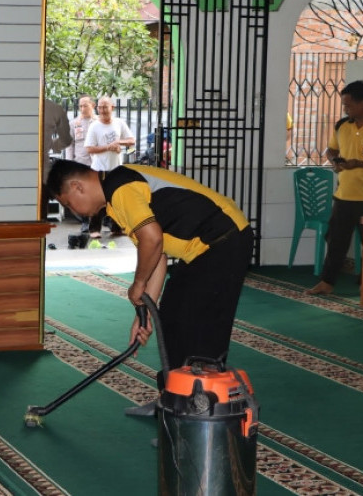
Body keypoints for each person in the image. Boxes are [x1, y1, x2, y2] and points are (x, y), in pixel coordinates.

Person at [46, 159, 253, 414]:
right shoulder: (115, 199)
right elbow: (157, 255)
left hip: (225, 241)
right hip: (202, 251)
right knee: (172, 317)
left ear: (77, 187)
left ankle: (197, 414)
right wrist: (143, 313)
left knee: (200, 327)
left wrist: (138, 284)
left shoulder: (120, 186)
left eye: (68, 203)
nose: (74, 211)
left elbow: (152, 239)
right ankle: (173, 402)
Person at [307, 81, 363, 295]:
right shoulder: (341, 125)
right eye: (343, 105)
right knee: (336, 241)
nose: (345, 109)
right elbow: (331, 149)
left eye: (348, 105)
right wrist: (334, 160)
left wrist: (358, 163)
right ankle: (326, 283)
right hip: (344, 195)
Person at [84, 96, 135, 238]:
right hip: (99, 168)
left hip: (116, 168)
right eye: (100, 107)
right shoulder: (94, 126)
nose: (102, 110)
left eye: (105, 107)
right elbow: (89, 148)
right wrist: (108, 147)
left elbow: (131, 140)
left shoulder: (119, 123)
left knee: (117, 198)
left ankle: (117, 228)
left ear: (112, 107)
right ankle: (94, 229)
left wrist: (118, 142)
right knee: (98, 200)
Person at [65, 94, 97, 233]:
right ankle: (85, 221)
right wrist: (69, 163)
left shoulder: (98, 122)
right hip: (80, 162)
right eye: (80, 106)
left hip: (96, 163)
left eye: (85, 105)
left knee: (96, 193)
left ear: (93, 106)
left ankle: (98, 222)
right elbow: (69, 145)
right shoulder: (74, 124)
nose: (82, 109)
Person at [41, 99, 73, 219]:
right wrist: (52, 145)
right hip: (40, 171)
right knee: (40, 215)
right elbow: (66, 140)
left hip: (11, 170)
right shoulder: (54, 108)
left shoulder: (6, 105)